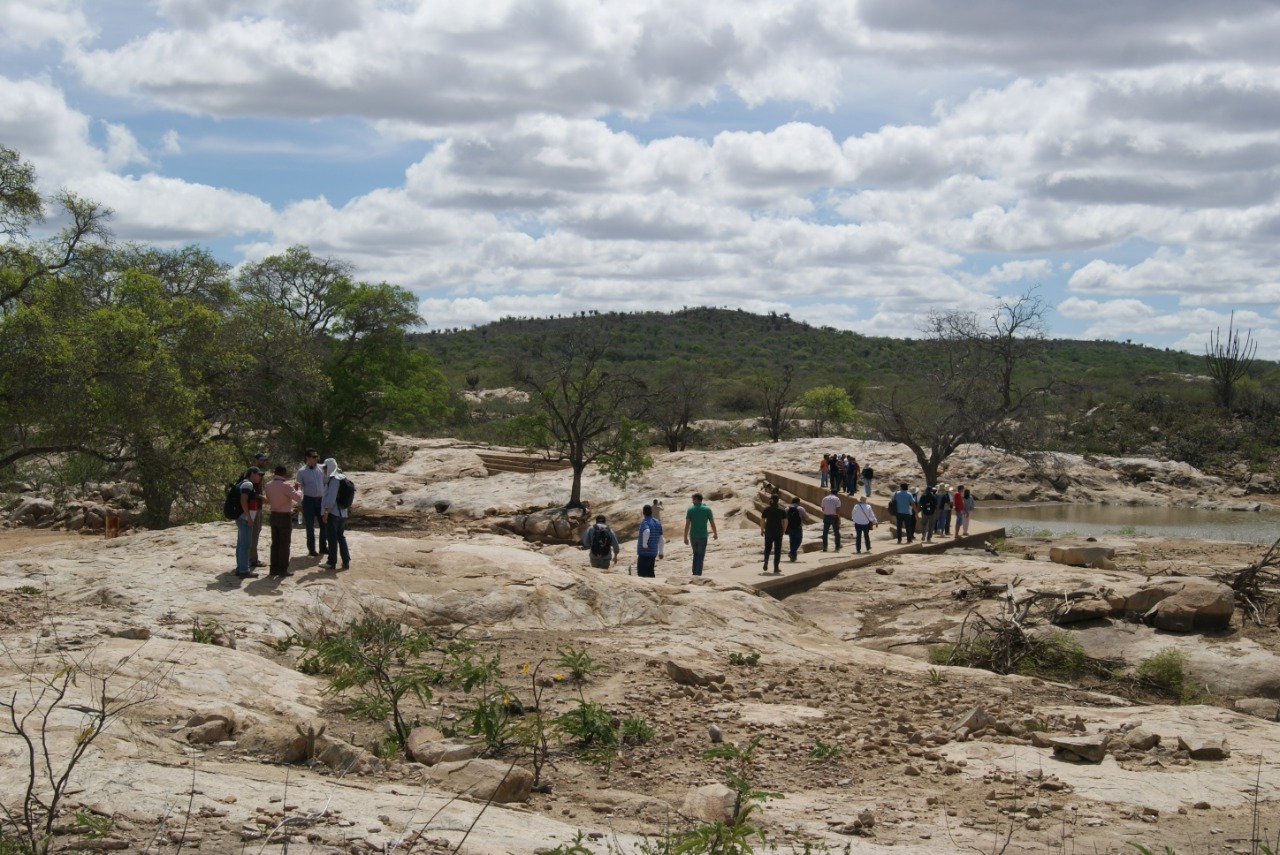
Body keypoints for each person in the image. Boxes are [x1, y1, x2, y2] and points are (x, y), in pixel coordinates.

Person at [264, 465, 303, 577]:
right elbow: (297, 498)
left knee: (275, 543)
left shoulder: (268, 485)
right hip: (284, 516)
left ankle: (273, 569)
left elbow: (268, 499)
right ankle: (282, 569)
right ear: (285, 474)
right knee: (284, 544)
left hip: (274, 514)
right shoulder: (286, 486)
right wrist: (298, 489)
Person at [320, 457, 352, 570]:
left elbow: (331, 498)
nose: (323, 470)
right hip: (343, 513)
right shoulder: (342, 477)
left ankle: (331, 562)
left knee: (332, 538)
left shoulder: (334, 479)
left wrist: (326, 512)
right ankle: (346, 561)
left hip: (334, 513)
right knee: (340, 537)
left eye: (325, 467)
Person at [295, 448, 327, 558]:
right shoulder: (301, 471)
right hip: (308, 501)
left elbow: (325, 484)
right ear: (307, 458)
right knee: (310, 525)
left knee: (324, 524)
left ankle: (323, 547)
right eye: (313, 457)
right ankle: (312, 549)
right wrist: (299, 503)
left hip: (321, 500)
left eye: (316, 456)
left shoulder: (321, 468)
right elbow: (299, 488)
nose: (315, 459)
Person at [234, 467, 263, 578]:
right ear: (252, 474)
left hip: (241, 517)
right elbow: (243, 499)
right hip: (244, 518)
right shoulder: (248, 485)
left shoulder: (242, 483)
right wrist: (248, 517)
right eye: (258, 474)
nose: (260, 477)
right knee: (245, 545)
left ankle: (240, 568)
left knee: (241, 544)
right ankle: (244, 570)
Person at [683, 493, 719, 576]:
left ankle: (694, 573)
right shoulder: (707, 509)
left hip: (693, 536)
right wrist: (715, 533)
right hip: (703, 536)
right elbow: (712, 523)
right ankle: (698, 574)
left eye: (693, 499)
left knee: (695, 554)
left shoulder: (690, 509)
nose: (692, 501)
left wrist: (685, 537)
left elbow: (687, 524)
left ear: (696, 499)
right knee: (700, 555)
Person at [249, 451, 269, 568]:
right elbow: (249, 491)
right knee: (254, 533)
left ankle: (251, 557)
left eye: (265, 460)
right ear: (256, 460)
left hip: (258, 506)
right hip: (254, 507)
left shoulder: (258, 473)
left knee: (256, 532)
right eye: (261, 460)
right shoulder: (253, 473)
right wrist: (260, 496)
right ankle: (253, 560)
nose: (263, 462)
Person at [759, 493, 787, 574]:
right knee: (777, 550)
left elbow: (762, 520)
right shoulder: (782, 510)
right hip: (778, 532)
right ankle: (776, 567)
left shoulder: (766, 509)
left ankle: (766, 560)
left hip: (768, 531)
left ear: (771, 500)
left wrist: (762, 529)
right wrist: (784, 530)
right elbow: (785, 521)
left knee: (767, 547)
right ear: (778, 500)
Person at [636, 504, 663, 578]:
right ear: (651, 512)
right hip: (653, 552)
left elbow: (646, 531)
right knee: (651, 572)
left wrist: (645, 545)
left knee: (642, 574)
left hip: (644, 553)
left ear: (643, 512)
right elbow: (661, 537)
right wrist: (661, 552)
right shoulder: (657, 522)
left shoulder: (645, 522)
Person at [785, 496, 810, 562]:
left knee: (792, 541)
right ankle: (792, 552)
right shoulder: (800, 508)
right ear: (798, 502)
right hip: (798, 527)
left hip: (789, 527)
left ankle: (793, 557)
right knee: (799, 540)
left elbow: (784, 518)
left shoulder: (787, 509)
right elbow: (807, 518)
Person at [820, 487, 842, 551]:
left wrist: (826, 512)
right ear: (836, 493)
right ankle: (837, 547)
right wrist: (838, 517)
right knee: (836, 532)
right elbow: (838, 509)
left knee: (825, 532)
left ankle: (824, 547)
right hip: (834, 517)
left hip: (826, 516)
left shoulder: (825, 498)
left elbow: (823, 508)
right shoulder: (837, 499)